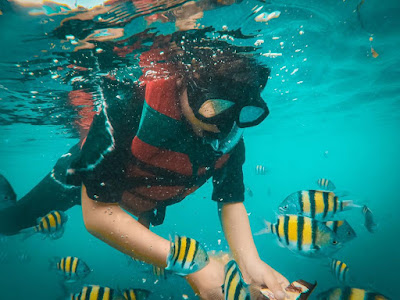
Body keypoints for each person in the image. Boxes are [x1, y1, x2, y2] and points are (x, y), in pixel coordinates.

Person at [63, 30, 289, 299]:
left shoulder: (227, 132)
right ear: (184, 82)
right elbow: (97, 214)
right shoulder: (125, 108)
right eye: (213, 108)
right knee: (15, 219)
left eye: (238, 115)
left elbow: (231, 199)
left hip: (144, 198)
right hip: (81, 180)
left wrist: (251, 264)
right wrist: (194, 268)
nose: (221, 127)